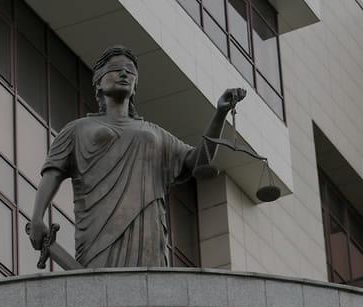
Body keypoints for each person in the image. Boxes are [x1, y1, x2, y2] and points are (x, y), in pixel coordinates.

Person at [29, 44, 245, 267]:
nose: (124, 74)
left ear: (134, 87)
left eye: (130, 71)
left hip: (147, 229)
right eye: (116, 69)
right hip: (98, 231)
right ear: (98, 82)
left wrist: (220, 114)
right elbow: (53, 172)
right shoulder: (77, 129)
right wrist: (37, 217)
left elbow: (199, 161)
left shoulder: (154, 133)